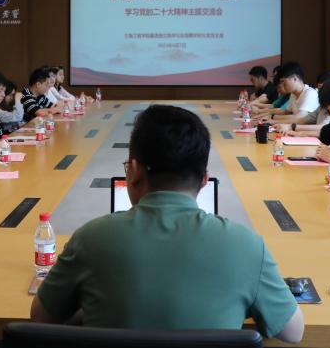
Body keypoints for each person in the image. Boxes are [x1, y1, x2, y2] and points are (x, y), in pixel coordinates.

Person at [30, 104, 304, 343]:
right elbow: (294, 333)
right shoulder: (247, 246)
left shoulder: (91, 239)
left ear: (133, 171)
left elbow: (41, 317)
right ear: (204, 180)